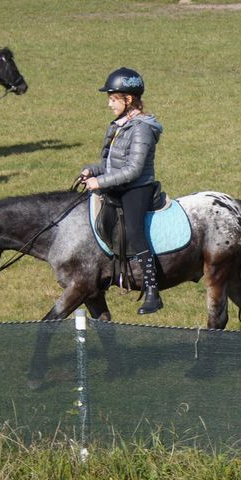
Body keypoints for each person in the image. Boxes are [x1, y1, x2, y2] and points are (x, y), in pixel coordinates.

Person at [78, 67, 165, 315]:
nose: (109, 104)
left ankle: (152, 290)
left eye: (113, 99)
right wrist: (91, 171)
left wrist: (101, 182)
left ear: (129, 100)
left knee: (134, 230)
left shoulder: (141, 129)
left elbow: (133, 170)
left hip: (137, 187)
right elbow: (107, 164)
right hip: (116, 183)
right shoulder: (117, 126)